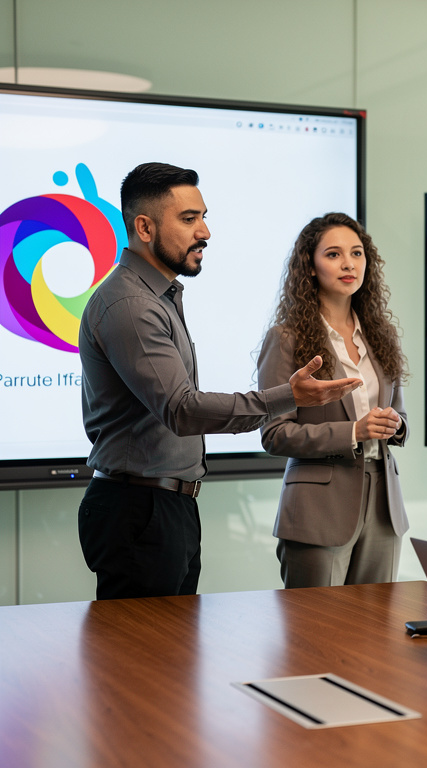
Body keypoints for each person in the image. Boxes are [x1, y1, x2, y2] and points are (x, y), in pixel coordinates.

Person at [78, 163, 361, 601]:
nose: (205, 231)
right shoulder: (130, 305)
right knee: (145, 663)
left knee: (172, 660)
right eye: (189, 219)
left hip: (167, 506)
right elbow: (182, 409)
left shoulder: (159, 297)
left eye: (204, 217)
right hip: (139, 509)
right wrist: (289, 396)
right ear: (144, 227)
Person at [258, 213, 409, 587]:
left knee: (375, 636)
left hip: (383, 505)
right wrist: (353, 432)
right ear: (309, 267)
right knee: (316, 638)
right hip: (317, 509)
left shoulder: (379, 335)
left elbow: (399, 411)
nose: (348, 264)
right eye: (334, 254)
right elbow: (274, 434)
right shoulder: (285, 338)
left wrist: (396, 425)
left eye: (357, 254)